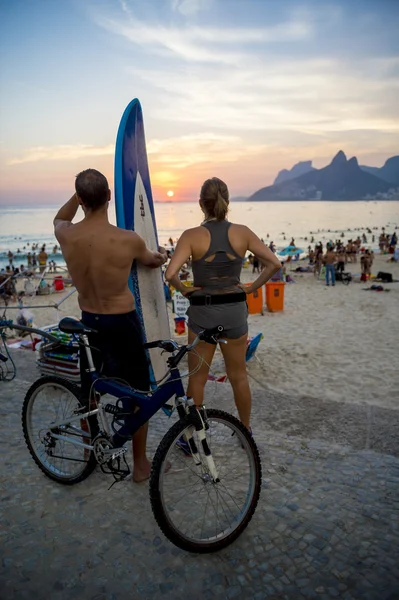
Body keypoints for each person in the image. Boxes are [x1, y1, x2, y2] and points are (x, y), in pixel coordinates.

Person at [53, 168, 167, 483]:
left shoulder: (66, 234)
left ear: (80, 199)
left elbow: (60, 218)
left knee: (90, 391)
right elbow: (151, 259)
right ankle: (140, 464)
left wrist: (77, 198)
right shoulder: (128, 240)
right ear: (109, 198)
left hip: (89, 322)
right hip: (123, 323)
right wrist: (160, 257)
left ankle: (90, 453)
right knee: (138, 393)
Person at [165, 177, 281, 435]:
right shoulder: (243, 232)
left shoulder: (191, 236)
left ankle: (193, 437)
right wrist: (251, 288)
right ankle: (245, 431)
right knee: (238, 376)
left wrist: (184, 289)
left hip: (203, 314)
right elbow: (274, 264)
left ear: (200, 204)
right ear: (227, 203)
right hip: (234, 313)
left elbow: (170, 273)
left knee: (197, 377)